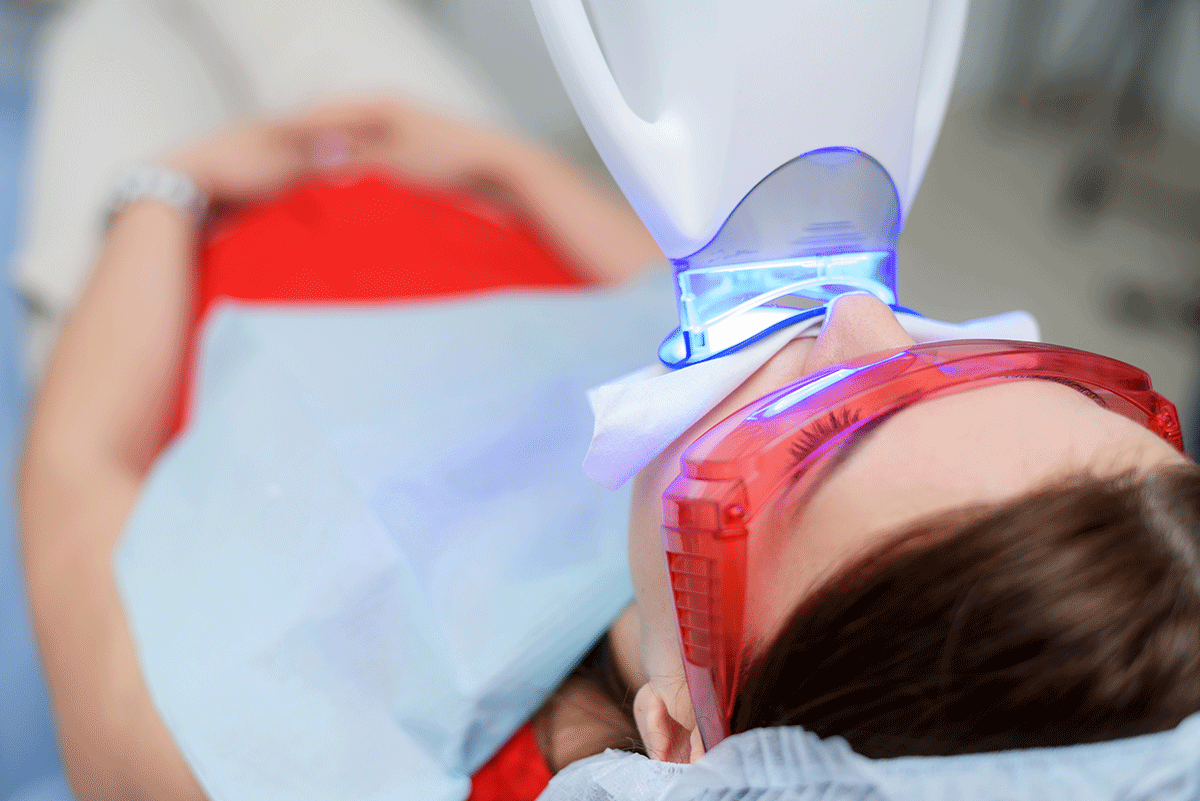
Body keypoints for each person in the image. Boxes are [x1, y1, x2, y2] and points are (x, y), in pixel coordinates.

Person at [19, 98, 1200, 801]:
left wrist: (164, 189)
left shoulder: (238, 760)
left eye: (826, 433)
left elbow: (79, 470)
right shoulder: (719, 556)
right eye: (986, 363)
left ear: (685, 740)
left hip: (169, 274)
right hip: (449, 193)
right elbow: (671, 317)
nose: (861, 316)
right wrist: (496, 163)